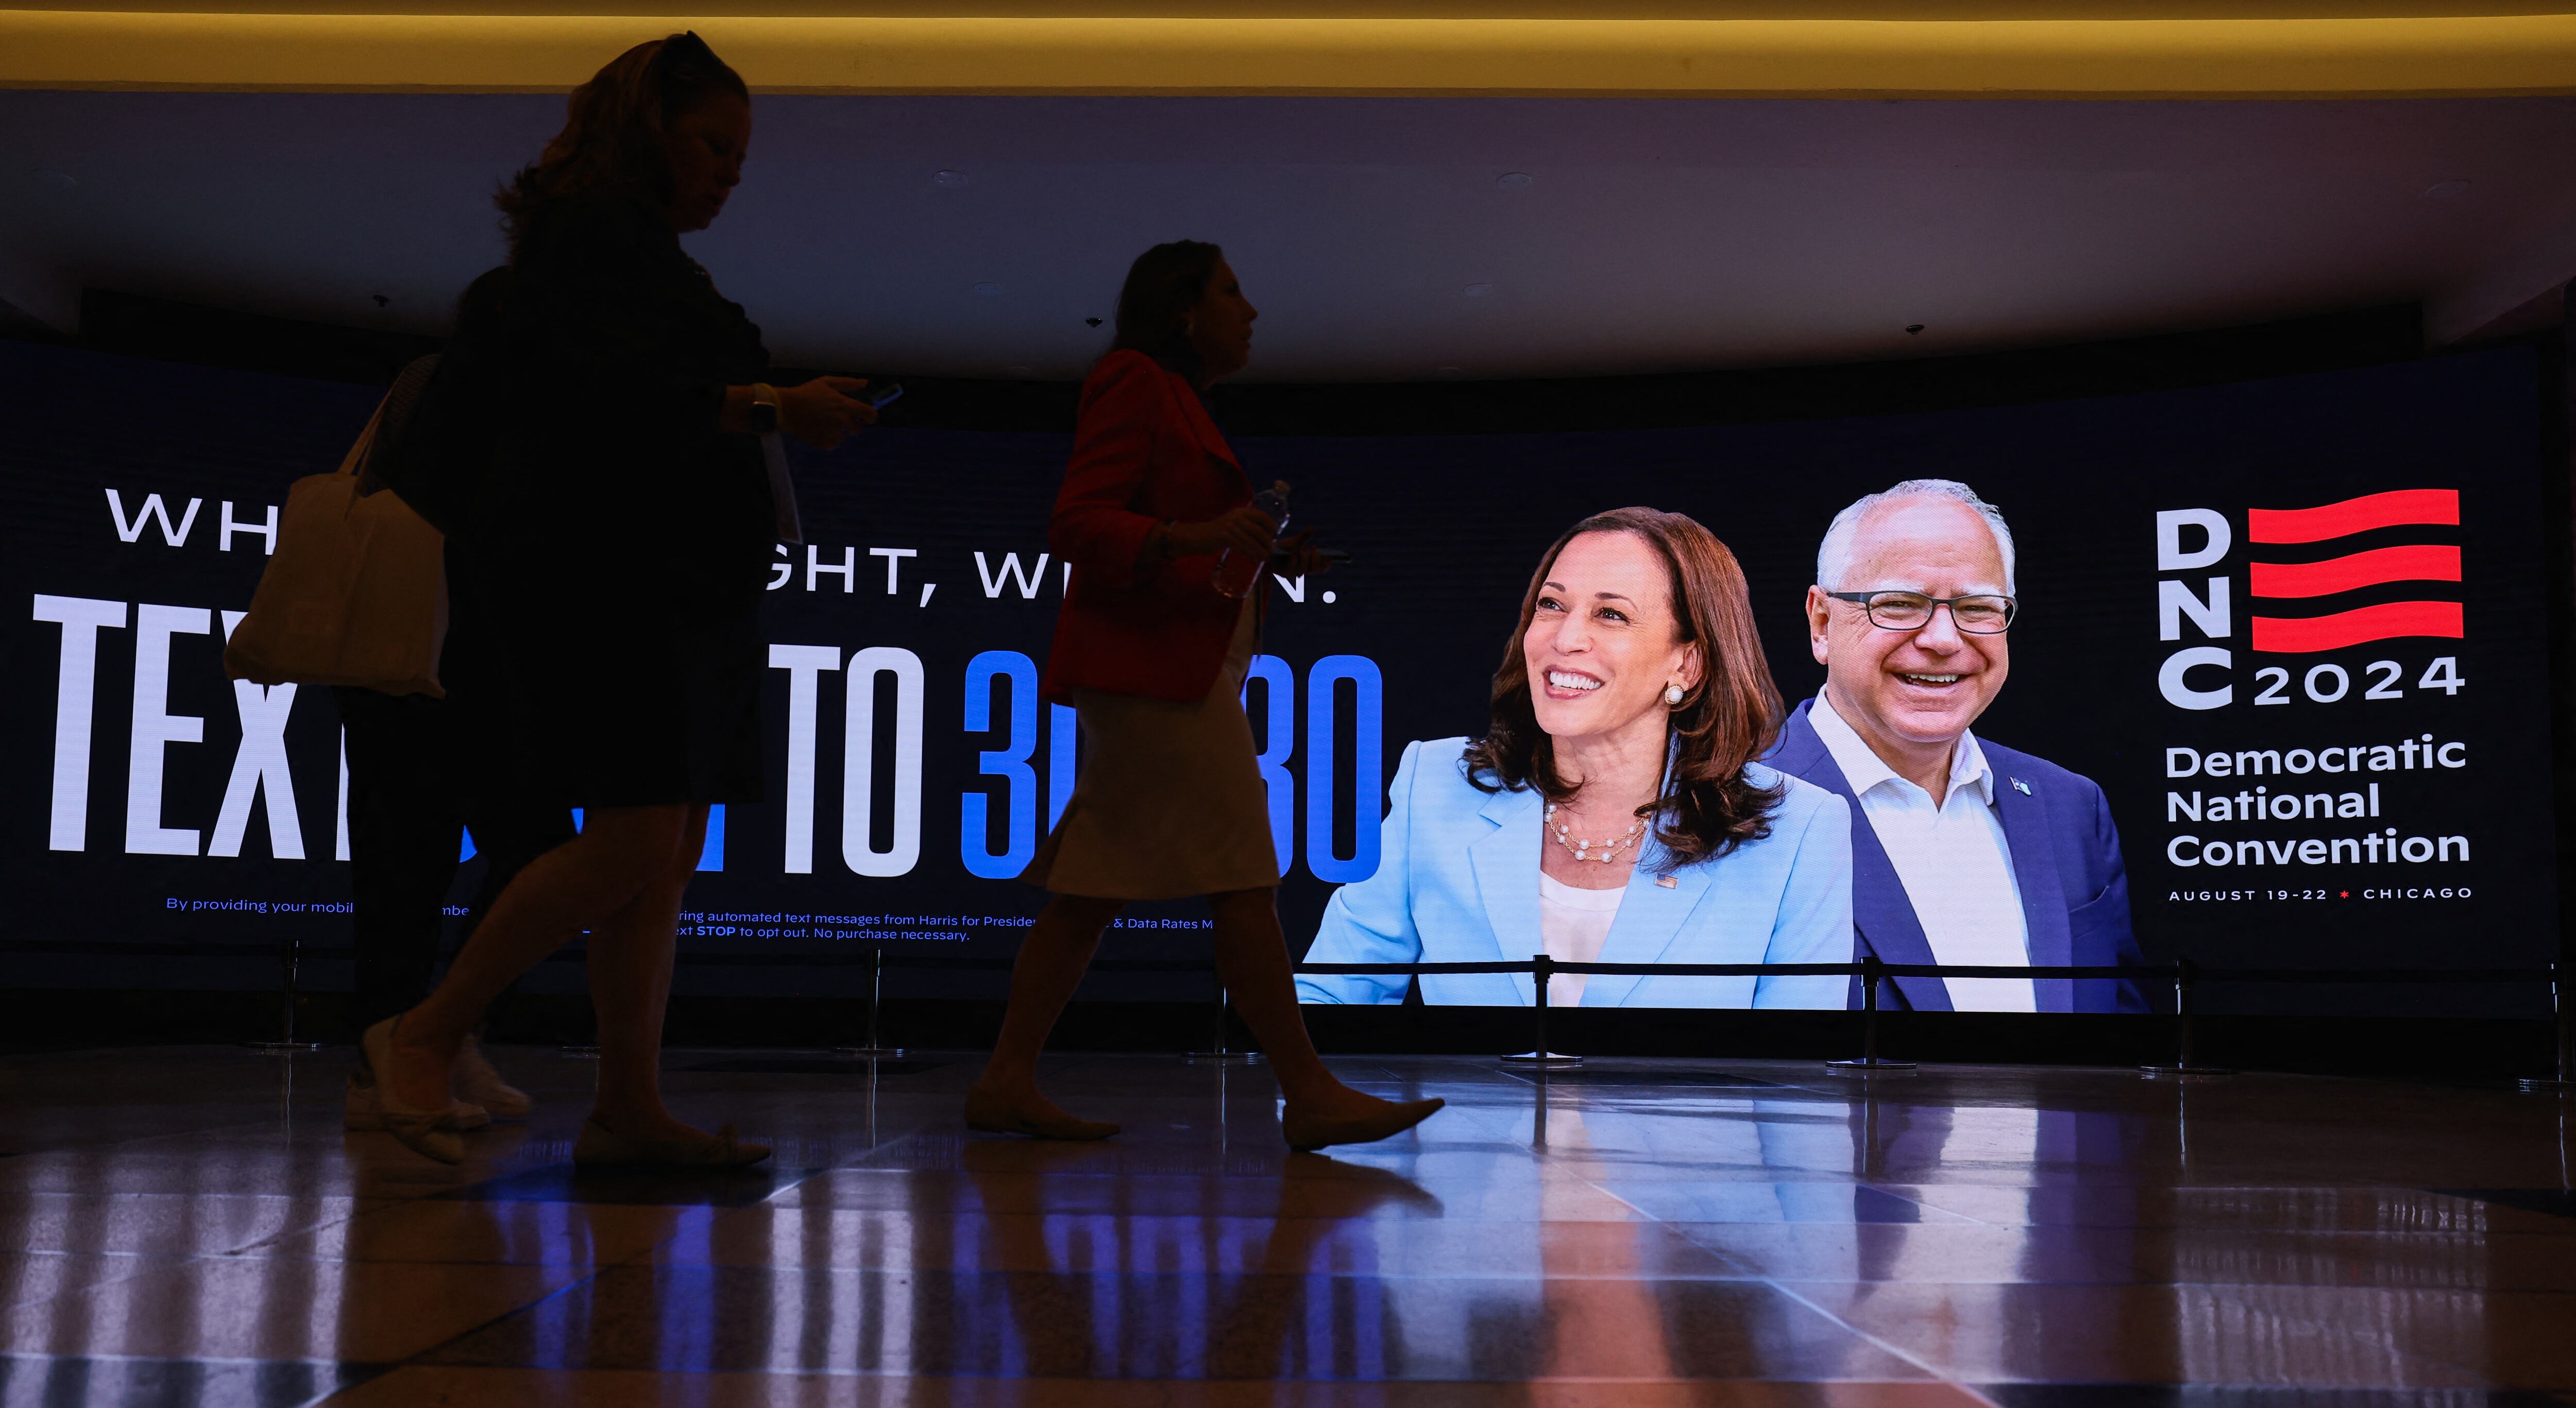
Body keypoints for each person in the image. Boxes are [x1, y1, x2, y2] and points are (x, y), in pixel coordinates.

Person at [365, 32, 877, 1165]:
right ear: (646, 129)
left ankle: (626, 1101)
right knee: (645, 827)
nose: (730, 172)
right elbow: (608, 397)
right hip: (621, 578)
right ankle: (429, 1028)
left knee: (662, 842)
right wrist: (768, 406)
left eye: (739, 154)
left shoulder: (628, 253)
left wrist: (759, 407)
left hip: (671, 581)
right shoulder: (592, 247)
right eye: (713, 144)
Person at [966, 240, 1444, 1150]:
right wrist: (1199, 534)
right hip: (1162, 679)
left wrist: (1248, 550)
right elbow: (1078, 524)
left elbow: (1161, 537)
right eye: (1232, 292)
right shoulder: (1136, 379)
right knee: (1241, 876)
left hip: (1165, 673)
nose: (1251, 311)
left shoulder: (1174, 396)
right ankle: (1307, 1087)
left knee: (1090, 890)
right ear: (1184, 310)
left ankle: (1005, 1077)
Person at [1299, 507, 1852, 1009]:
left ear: (1686, 664)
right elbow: (1325, 1003)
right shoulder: (1434, 787)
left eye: (1610, 614)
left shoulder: (1799, 833)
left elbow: (1802, 1074)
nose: (1564, 638)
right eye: (1551, 604)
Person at [1765, 478, 2144, 1013]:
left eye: (1976, 607)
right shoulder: (1728, 808)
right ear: (1821, 622)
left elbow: (2124, 1049)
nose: (1943, 640)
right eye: (1898, 604)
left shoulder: (2071, 808)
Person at [336, 354, 574, 1134]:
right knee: (412, 859)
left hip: (455, 652)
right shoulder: (460, 384)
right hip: (421, 648)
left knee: (514, 852)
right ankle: (401, 1050)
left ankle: (437, 1034)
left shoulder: (456, 383)